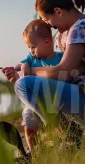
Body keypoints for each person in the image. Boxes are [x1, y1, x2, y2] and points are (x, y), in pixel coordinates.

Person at [2, 0, 85, 134]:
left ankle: (71, 136)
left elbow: (63, 72)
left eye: (47, 20)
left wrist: (31, 72)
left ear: (58, 11)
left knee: (23, 86)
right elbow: (77, 70)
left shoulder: (81, 28)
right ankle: (74, 133)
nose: (50, 27)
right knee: (26, 84)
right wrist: (26, 67)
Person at [11, 19, 64, 151]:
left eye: (33, 47)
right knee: (29, 128)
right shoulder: (31, 59)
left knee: (59, 126)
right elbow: (18, 66)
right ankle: (33, 152)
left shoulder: (61, 58)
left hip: (55, 101)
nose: (31, 51)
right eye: (28, 47)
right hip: (34, 102)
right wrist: (23, 65)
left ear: (47, 42)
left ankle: (65, 142)